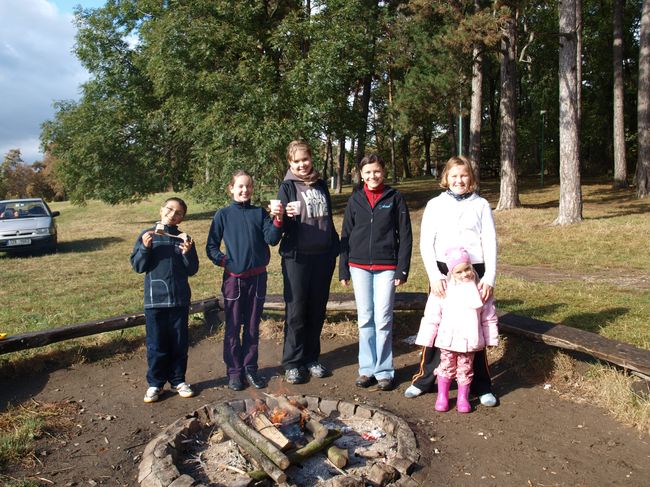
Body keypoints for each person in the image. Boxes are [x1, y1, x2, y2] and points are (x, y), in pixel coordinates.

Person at [405, 155, 499, 407]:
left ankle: (481, 385)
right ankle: (424, 379)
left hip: (473, 272)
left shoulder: (480, 205)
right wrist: (434, 276)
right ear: (446, 178)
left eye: (464, 175)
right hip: (443, 273)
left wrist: (488, 277)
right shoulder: (435, 205)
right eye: (454, 176)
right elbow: (426, 242)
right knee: (438, 328)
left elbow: (490, 242)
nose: (459, 180)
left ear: (471, 178)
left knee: (474, 331)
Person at [339, 153, 412, 391]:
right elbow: (346, 235)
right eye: (368, 172)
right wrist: (343, 269)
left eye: (377, 171)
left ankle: (384, 370)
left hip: (387, 267)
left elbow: (405, 235)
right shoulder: (355, 200)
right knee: (365, 319)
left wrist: (402, 268)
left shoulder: (395, 197)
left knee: (383, 319)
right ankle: (367, 369)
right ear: (361, 175)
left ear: (384, 172)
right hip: (358, 266)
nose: (373, 175)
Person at [206, 170, 283, 391]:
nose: (244, 190)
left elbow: (272, 239)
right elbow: (211, 246)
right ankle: (234, 372)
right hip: (234, 280)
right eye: (240, 186)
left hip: (258, 279)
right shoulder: (223, 215)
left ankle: (250, 369)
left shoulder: (259, 213)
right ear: (231, 188)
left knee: (251, 326)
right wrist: (224, 261)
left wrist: (278, 220)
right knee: (232, 327)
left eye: (248, 186)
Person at [277, 140, 340, 384]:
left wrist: (334, 246)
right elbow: (279, 224)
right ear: (290, 163)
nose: (302, 164)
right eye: (297, 161)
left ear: (311, 159)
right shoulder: (286, 187)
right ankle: (293, 362)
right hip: (297, 258)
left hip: (323, 256)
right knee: (296, 311)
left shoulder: (321, 184)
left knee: (317, 309)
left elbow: (328, 218)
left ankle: (312, 357)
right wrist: (284, 216)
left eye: (305, 159)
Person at [130, 197, 199, 403]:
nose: (172, 214)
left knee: (179, 343)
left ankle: (178, 380)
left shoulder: (184, 238)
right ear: (161, 210)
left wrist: (187, 254)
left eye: (178, 213)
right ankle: (155, 384)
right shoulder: (147, 235)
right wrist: (144, 248)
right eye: (169, 209)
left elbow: (193, 269)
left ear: (182, 218)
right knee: (156, 343)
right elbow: (138, 266)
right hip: (155, 301)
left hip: (179, 300)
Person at [414, 247, 498, 413]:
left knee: (466, 369)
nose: (465, 274)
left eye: (467, 269)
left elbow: (488, 317)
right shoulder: (443, 290)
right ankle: (442, 396)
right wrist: (426, 338)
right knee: (446, 366)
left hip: (470, 341)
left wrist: (491, 339)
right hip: (448, 340)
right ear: (452, 272)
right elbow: (432, 316)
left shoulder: (480, 290)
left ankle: (462, 398)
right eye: (459, 272)